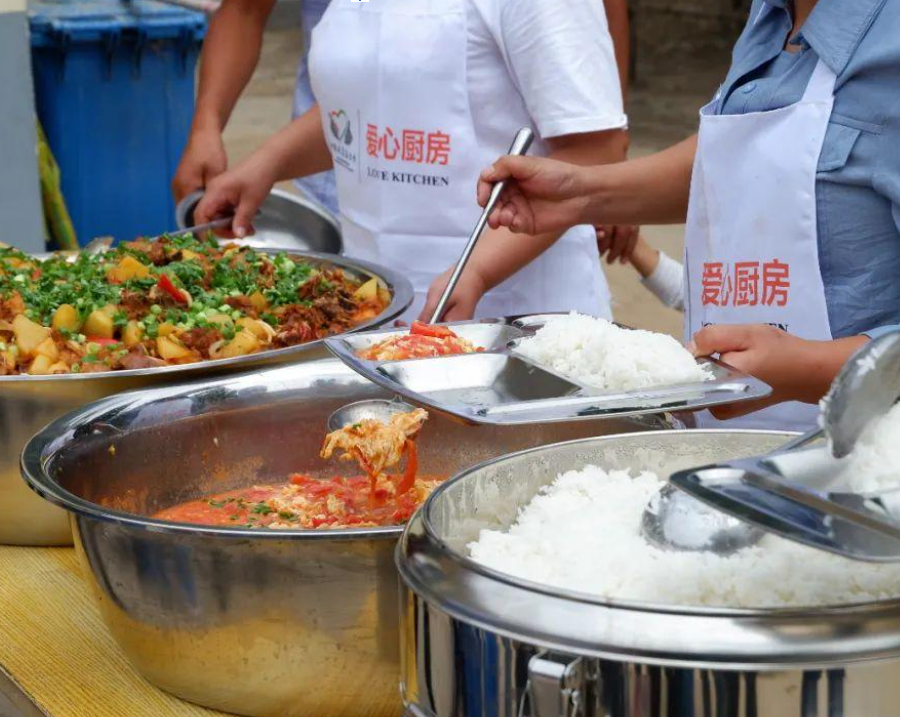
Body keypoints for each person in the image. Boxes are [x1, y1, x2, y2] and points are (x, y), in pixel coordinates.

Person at [477, 0, 900, 430]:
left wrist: (808, 367)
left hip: (859, 466)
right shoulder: (772, 15)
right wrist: (581, 194)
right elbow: (743, 161)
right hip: (727, 457)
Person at [194, 0, 629, 322]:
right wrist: (266, 165)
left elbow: (596, 149)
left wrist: (476, 271)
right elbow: (369, 106)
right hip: (373, 311)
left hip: (519, 324)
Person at [172, 0, 338, 213]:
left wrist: (271, 161)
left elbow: (378, 94)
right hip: (326, 184)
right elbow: (245, 9)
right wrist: (205, 128)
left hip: (386, 164)